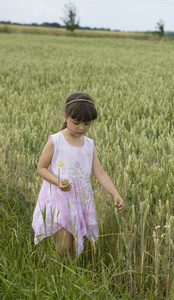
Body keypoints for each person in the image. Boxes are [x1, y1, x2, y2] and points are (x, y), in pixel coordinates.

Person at [32, 92, 124, 264]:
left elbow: (100, 174)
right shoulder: (56, 141)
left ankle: (68, 277)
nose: (81, 127)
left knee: (73, 244)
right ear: (65, 117)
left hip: (80, 200)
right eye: (76, 123)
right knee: (64, 245)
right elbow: (41, 168)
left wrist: (115, 194)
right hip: (59, 198)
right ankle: (56, 274)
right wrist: (58, 182)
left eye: (87, 124)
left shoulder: (89, 144)